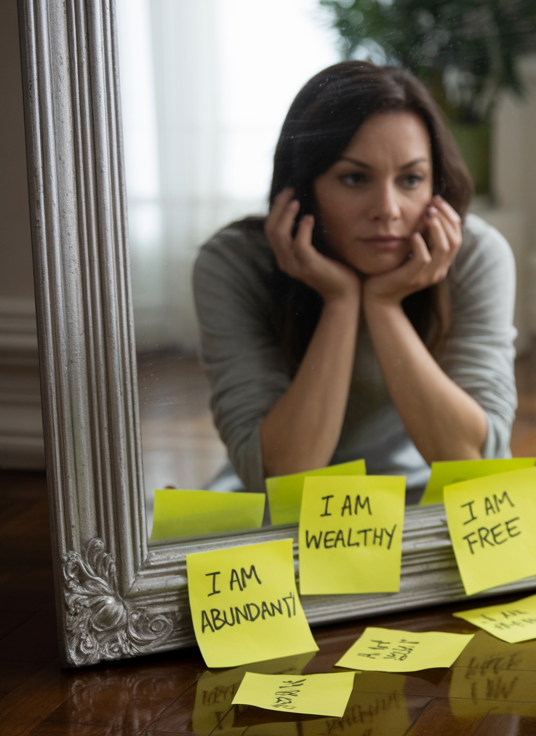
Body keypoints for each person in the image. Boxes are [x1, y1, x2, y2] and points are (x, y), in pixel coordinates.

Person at [193, 61, 517, 501]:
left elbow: (473, 465)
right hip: (284, 514)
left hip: (425, 494)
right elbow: (284, 477)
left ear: (435, 185)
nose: (388, 208)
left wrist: (383, 306)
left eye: (411, 179)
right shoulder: (232, 263)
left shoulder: (476, 253)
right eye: (354, 178)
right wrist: (341, 302)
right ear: (303, 187)